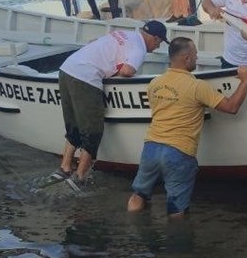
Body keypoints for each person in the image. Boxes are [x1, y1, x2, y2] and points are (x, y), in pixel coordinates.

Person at [127, 37, 247, 215]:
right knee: (176, 210)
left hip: (151, 148)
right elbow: (232, 107)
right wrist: (245, 81)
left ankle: (133, 233)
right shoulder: (198, 86)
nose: (197, 59)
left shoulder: (154, 84)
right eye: (195, 55)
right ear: (186, 59)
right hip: (179, 151)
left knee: (138, 195)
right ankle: (176, 239)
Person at [55, 20, 169, 190]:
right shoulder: (140, 49)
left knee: (75, 125)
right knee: (93, 131)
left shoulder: (126, 34)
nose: (158, 47)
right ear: (154, 38)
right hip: (85, 78)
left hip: (66, 69)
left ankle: (64, 167)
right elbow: (127, 71)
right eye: (159, 42)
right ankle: (79, 177)